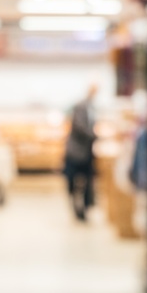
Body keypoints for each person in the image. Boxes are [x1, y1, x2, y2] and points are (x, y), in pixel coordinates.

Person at [64, 84, 98, 221]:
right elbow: (79, 127)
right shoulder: (80, 106)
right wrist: (94, 135)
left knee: (86, 182)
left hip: (86, 151)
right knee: (74, 182)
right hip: (77, 152)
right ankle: (77, 209)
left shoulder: (91, 107)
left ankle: (84, 208)